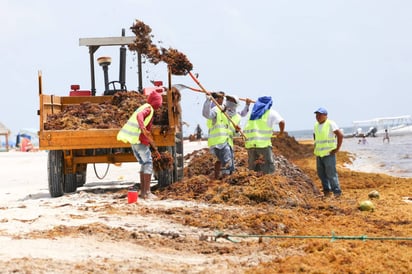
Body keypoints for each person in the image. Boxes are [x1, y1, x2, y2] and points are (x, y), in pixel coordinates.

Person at [117, 91, 163, 200]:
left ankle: (143, 192)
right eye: (159, 103)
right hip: (140, 141)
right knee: (148, 163)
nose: (159, 105)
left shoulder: (144, 106)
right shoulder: (149, 109)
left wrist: (154, 147)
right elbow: (140, 115)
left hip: (135, 142)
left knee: (143, 164)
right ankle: (147, 192)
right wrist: (142, 127)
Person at [202, 93, 241, 179]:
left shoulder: (237, 117)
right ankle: (225, 181)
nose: (229, 102)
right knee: (227, 162)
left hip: (228, 142)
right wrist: (208, 101)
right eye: (228, 100)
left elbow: (235, 133)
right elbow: (206, 114)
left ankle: (218, 180)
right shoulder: (218, 109)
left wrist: (237, 130)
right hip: (218, 142)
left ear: (236, 104)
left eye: (232, 101)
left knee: (225, 163)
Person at [243, 96, 285, 175]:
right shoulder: (270, 112)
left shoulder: (252, 115)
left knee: (253, 169)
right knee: (267, 169)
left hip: (251, 145)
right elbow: (282, 122)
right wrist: (281, 133)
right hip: (263, 145)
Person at [313, 107, 343, 198]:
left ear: (325, 115)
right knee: (321, 173)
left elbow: (340, 135)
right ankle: (327, 191)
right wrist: (316, 146)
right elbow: (315, 136)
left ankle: (337, 192)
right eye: (317, 115)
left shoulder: (330, 123)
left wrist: (337, 149)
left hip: (329, 153)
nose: (318, 116)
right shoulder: (316, 125)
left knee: (331, 173)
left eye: (320, 115)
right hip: (319, 154)